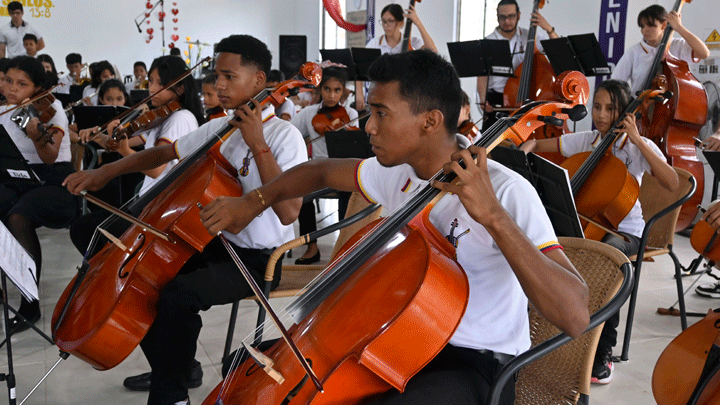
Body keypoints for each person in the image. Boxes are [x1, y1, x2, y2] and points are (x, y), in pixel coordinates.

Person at [200, 49, 589, 405]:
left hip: (474, 364)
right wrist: (252, 202)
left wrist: (493, 217)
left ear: (430, 122)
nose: (368, 126)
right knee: (248, 369)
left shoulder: (506, 192)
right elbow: (319, 170)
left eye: (381, 113)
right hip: (397, 339)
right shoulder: (401, 171)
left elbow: (575, 315)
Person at [63, 34, 307, 405]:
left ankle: (171, 392)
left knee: (177, 295)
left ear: (259, 81)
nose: (218, 85)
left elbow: (289, 212)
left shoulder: (284, 135)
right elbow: (164, 152)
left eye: (228, 76)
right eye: (216, 75)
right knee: (114, 250)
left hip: (254, 259)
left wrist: (257, 142)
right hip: (205, 238)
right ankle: (173, 366)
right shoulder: (219, 127)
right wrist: (105, 173)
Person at [521, 79, 679, 385]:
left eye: (610, 108)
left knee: (607, 259)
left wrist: (638, 139)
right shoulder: (589, 139)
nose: (601, 114)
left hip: (627, 234)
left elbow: (672, 182)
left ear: (624, 112)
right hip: (588, 225)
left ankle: (603, 351)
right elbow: (541, 144)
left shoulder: (634, 147)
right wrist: (526, 147)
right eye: (597, 107)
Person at [70, 57, 204, 255]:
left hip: (158, 209)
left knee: (86, 230)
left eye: (161, 83)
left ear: (181, 88)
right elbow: (121, 143)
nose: (152, 88)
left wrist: (124, 151)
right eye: (151, 81)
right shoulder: (161, 117)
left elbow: (157, 169)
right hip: (147, 203)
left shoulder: (181, 118)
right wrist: (102, 136)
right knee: (86, 229)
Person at [0, 56, 76, 333]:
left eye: (22, 84)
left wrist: (35, 134)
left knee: (19, 217)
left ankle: (29, 305)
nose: (12, 89)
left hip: (56, 181)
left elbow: (50, 156)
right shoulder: (6, 110)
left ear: (37, 87)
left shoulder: (50, 109)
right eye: (8, 81)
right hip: (18, 179)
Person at [290, 66, 358, 264]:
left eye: (337, 90)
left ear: (343, 91)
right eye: (327, 89)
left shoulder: (352, 113)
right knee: (303, 195)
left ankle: (343, 246)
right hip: (318, 170)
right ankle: (312, 247)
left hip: (343, 169)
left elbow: (356, 146)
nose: (332, 95)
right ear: (320, 90)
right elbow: (290, 135)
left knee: (349, 193)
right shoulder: (308, 113)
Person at [476, 0, 559, 131]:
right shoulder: (489, 41)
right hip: (496, 99)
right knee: (489, 145)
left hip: (525, 96)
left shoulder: (530, 37)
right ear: (497, 17)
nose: (507, 21)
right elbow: (482, 75)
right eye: (502, 17)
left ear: (518, 15)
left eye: (511, 16)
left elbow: (558, 51)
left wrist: (549, 29)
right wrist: (482, 98)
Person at [354, 3, 437, 111]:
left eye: (390, 21)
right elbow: (359, 68)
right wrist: (359, 92)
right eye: (383, 21)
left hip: (404, 96)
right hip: (379, 94)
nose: (386, 25)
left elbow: (433, 52)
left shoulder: (411, 42)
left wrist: (417, 22)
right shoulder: (374, 43)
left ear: (401, 23)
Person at [611, 5, 710, 94]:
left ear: (663, 25)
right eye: (642, 26)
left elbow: (704, 53)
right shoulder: (633, 52)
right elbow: (615, 83)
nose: (644, 30)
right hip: (642, 109)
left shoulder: (677, 45)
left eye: (650, 25)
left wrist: (679, 27)